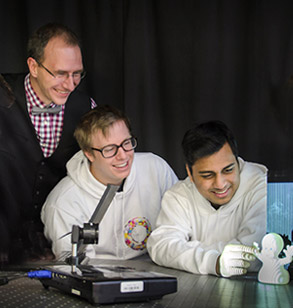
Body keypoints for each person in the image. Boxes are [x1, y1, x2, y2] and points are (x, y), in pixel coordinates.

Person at [0, 23, 95, 264]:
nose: (71, 84)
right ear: (33, 66)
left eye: (77, 74)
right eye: (60, 73)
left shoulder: (86, 107)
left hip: (51, 246)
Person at [41, 105, 178, 260]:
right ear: (89, 154)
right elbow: (74, 266)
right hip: (98, 278)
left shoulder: (156, 169)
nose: (122, 156)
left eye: (126, 143)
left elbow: (181, 228)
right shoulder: (63, 202)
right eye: (109, 149)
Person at [147, 120, 267, 277]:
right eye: (207, 175)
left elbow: (255, 254)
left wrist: (186, 251)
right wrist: (214, 262)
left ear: (237, 161)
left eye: (228, 170)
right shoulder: (178, 195)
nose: (220, 184)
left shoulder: (262, 186)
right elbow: (162, 246)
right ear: (190, 173)